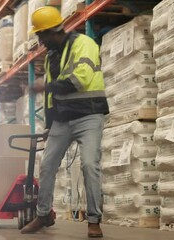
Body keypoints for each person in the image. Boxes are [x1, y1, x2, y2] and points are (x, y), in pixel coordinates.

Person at [20, 6, 109, 238]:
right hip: (62, 120)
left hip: (89, 115)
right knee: (47, 165)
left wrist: (44, 86)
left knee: (90, 164)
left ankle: (93, 220)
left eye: (41, 35)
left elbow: (80, 79)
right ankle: (43, 214)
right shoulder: (51, 58)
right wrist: (49, 124)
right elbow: (51, 97)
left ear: (53, 31)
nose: (40, 41)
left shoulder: (84, 44)